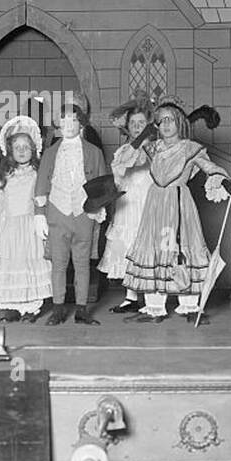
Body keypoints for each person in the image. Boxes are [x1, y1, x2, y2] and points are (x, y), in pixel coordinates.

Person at [122, 95, 231, 325]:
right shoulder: (152, 147)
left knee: (184, 249)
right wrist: (145, 133)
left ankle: (189, 307)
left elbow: (209, 167)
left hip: (179, 203)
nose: (165, 125)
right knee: (155, 250)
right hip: (155, 205)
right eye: (161, 120)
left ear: (180, 123)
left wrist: (224, 182)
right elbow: (127, 156)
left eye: (170, 120)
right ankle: (155, 307)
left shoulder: (190, 149)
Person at [35, 93, 108, 326]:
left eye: (73, 121)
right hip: (57, 211)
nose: (68, 125)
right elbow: (41, 184)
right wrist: (39, 215)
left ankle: (81, 309)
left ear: (81, 123)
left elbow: (101, 181)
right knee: (58, 263)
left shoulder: (94, 152)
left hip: (83, 212)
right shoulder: (50, 152)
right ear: (58, 123)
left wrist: (99, 208)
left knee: (82, 262)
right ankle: (58, 308)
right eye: (63, 121)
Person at [0, 115, 51, 322]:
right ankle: (12, 307)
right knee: (11, 266)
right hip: (9, 229)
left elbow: (43, 203)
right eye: (17, 147)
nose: (21, 151)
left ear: (34, 150)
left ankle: (32, 307)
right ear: (9, 150)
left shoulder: (38, 175)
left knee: (30, 266)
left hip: (31, 228)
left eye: (26, 147)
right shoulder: (3, 177)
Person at [101, 95, 155, 314]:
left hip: (149, 202)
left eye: (141, 123)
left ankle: (152, 298)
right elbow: (119, 174)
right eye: (133, 124)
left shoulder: (156, 149)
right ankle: (131, 297)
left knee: (149, 247)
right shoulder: (124, 151)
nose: (137, 127)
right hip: (128, 203)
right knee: (127, 246)